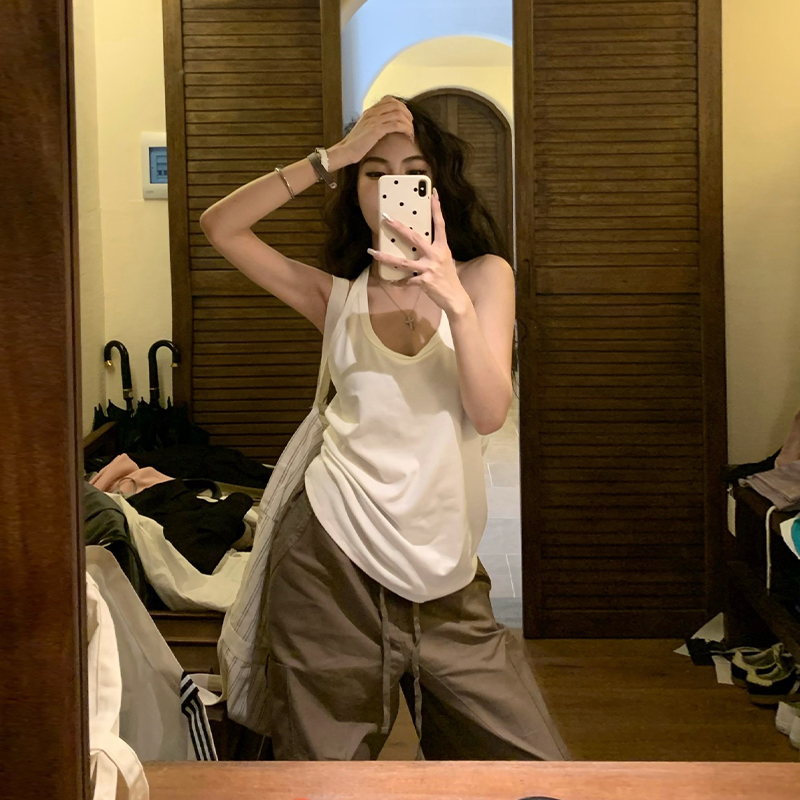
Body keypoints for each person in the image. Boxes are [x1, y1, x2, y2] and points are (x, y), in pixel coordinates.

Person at [199, 95, 569, 761]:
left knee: (529, 768)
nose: (394, 187)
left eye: (414, 173)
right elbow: (222, 226)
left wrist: (455, 303)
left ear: (437, 188)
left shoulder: (485, 278)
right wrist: (331, 158)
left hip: (447, 576)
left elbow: (489, 413)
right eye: (375, 173)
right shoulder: (334, 297)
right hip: (327, 566)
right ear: (356, 190)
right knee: (327, 778)